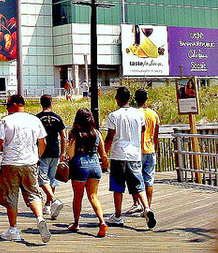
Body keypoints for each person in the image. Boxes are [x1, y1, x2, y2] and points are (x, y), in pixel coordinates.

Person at [0, 94, 50, 244]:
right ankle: (39, 218)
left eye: (7, 105)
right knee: (33, 193)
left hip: (10, 163)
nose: (7, 108)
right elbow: (42, 141)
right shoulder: (34, 120)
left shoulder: (6, 120)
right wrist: (37, 157)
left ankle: (13, 230)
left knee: (11, 197)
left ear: (14, 104)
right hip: (30, 162)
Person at [104, 86, 156, 229]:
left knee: (118, 187)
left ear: (118, 98)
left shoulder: (113, 115)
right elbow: (143, 129)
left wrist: (103, 153)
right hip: (135, 154)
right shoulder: (138, 114)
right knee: (138, 184)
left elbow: (109, 136)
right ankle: (147, 208)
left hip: (118, 154)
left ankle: (118, 216)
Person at [65, 108, 109, 237]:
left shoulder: (75, 134)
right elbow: (104, 154)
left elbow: (70, 154)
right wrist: (104, 166)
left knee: (78, 197)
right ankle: (102, 222)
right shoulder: (97, 133)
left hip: (80, 166)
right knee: (93, 196)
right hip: (95, 166)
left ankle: (76, 223)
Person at [125, 89, 160, 215]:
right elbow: (156, 134)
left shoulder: (135, 113)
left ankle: (136, 204)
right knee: (148, 180)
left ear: (135, 98)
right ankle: (148, 207)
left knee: (134, 179)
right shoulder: (154, 114)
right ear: (147, 98)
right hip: (150, 149)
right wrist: (155, 148)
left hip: (137, 151)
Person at [36, 94, 66, 219]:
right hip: (55, 151)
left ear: (41, 103)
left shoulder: (37, 118)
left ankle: (52, 202)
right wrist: (63, 153)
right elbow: (64, 136)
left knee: (42, 179)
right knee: (52, 179)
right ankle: (48, 204)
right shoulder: (57, 118)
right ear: (51, 103)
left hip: (42, 152)